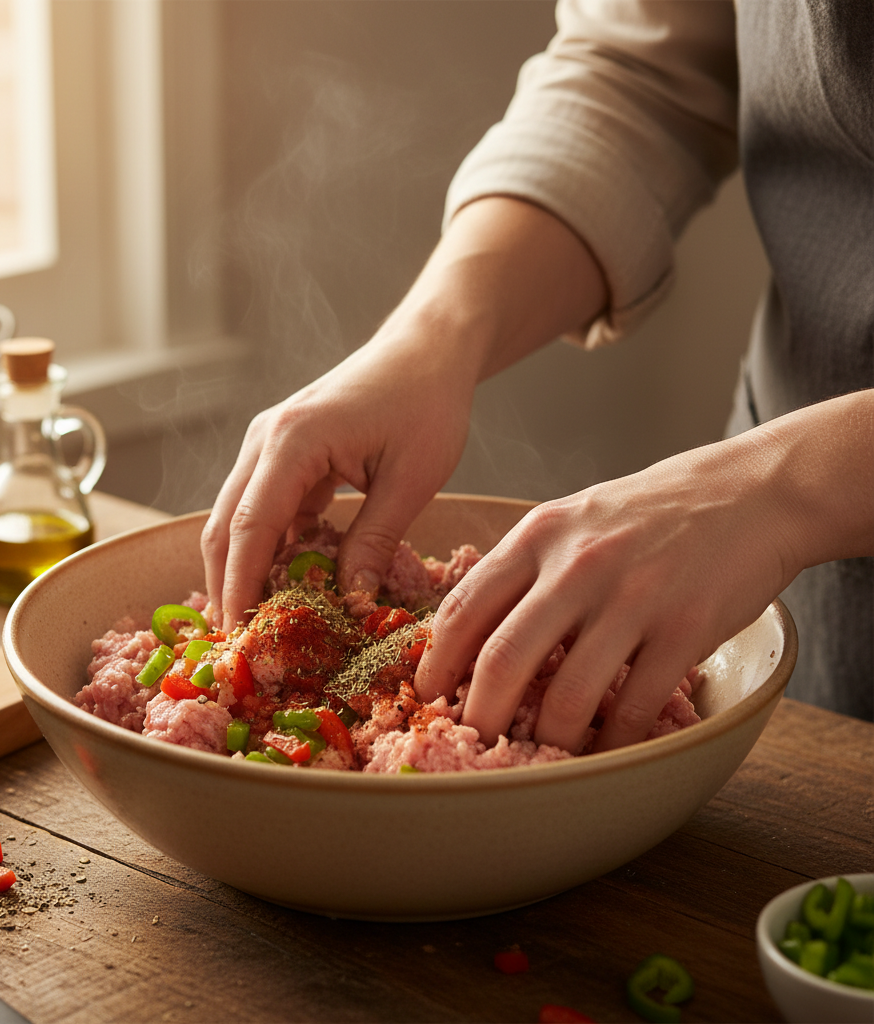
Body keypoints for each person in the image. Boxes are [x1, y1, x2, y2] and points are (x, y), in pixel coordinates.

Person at [201, 0, 873, 754]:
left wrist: (779, 487)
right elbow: (642, 75)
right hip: (814, 619)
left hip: (771, 500)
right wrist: (436, 336)